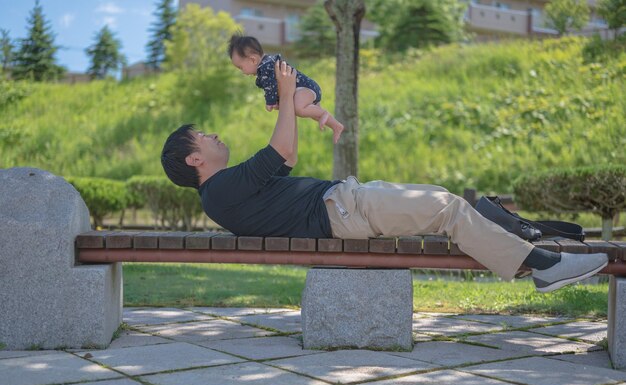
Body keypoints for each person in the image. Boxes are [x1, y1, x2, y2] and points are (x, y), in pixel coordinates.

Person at [161, 59, 608, 293]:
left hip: (345, 201)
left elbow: (283, 159)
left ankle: (525, 243)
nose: (213, 135)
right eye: (202, 136)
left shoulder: (225, 189)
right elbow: (284, 151)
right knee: (447, 209)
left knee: (442, 196)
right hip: (342, 211)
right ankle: (544, 266)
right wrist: (282, 91)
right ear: (193, 160)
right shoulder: (218, 191)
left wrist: (290, 107)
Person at [228, 34, 344, 144]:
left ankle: (324, 113)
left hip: (304, 88)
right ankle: (336, 125)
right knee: (313, 114)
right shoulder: (267, 65)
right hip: (303, 89)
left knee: (299, 109)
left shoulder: (265, 67)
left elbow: (271, 86)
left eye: (241, 67)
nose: (242, 72)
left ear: (253, 60)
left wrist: (270, 102)